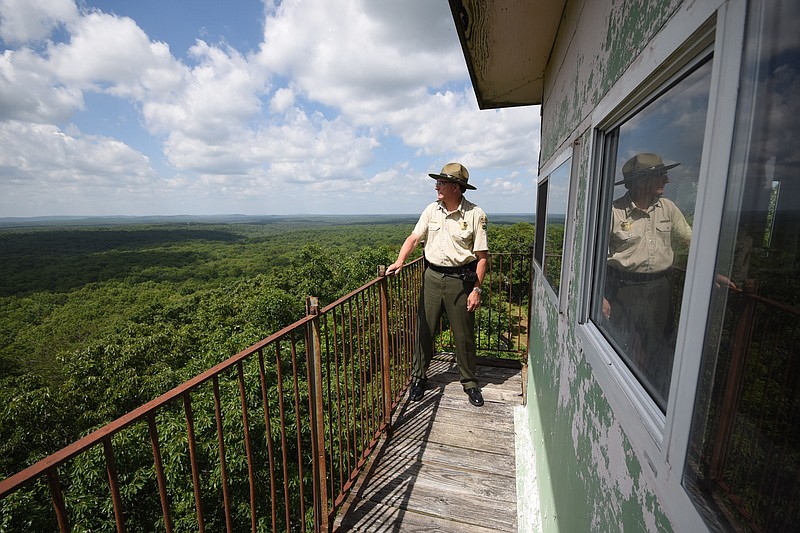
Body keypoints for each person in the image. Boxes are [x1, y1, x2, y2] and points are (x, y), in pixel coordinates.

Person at [385, 162, 489, 407]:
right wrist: (400, 260)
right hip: (431, 277)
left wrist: (476, 289)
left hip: (460, 281)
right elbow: (414, 237)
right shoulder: (431, 210)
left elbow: (482, 258)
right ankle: (419, 378)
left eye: (441, 183)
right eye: (438, 182)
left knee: (463, 334)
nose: (437, 187)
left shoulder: (475, 214)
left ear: (456, 187)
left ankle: (470, 382)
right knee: (424, 330)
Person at [602, 153, 691, 403]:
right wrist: (601, 295)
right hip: (622, 287)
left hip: (659, 288)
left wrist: (711, 268)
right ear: (642, 181)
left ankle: (651, 399)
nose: (667, 179)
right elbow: (596, 255)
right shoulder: (615, 213)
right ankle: (620, 397)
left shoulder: (669, 209)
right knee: (623, 344)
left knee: (656, 347)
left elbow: (689, 239)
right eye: (660, 175)